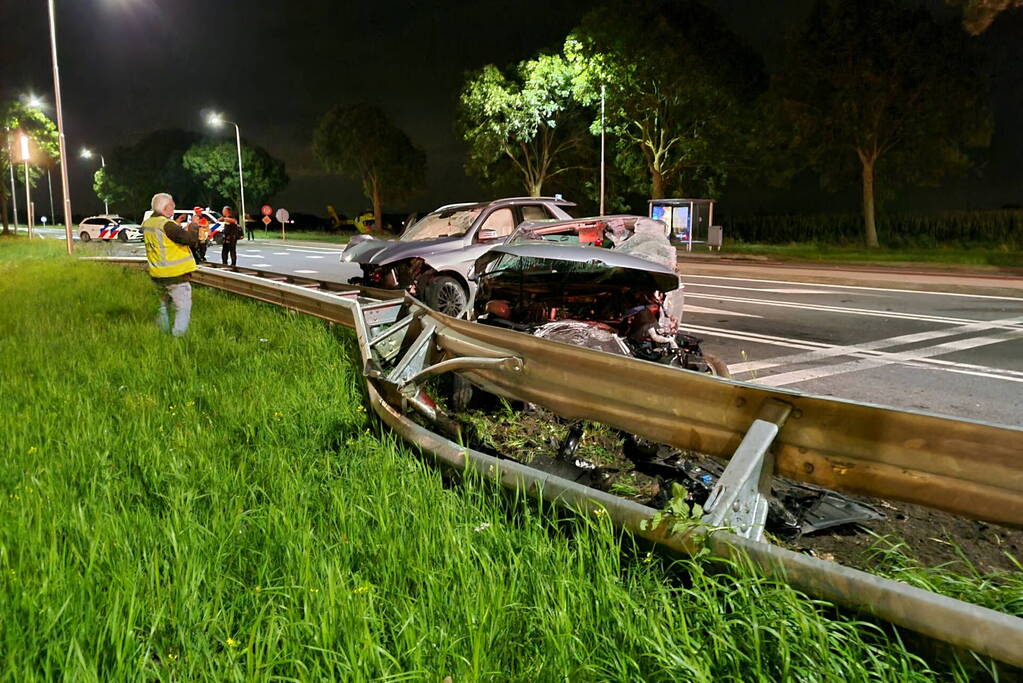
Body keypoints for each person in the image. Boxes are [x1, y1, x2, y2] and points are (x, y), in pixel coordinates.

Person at [142, 193, 207, 337]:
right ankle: (178, 338)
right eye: (172, 205)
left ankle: (162, 334)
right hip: (175, 275)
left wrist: (179, 223)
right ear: (165, 208)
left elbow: (166, 238)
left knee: (163, 307)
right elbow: (190, 240)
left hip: (157, 274)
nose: (174, 207)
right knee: (182, 308)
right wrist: (194, 225)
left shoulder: (148, 224)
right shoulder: (166, 225)